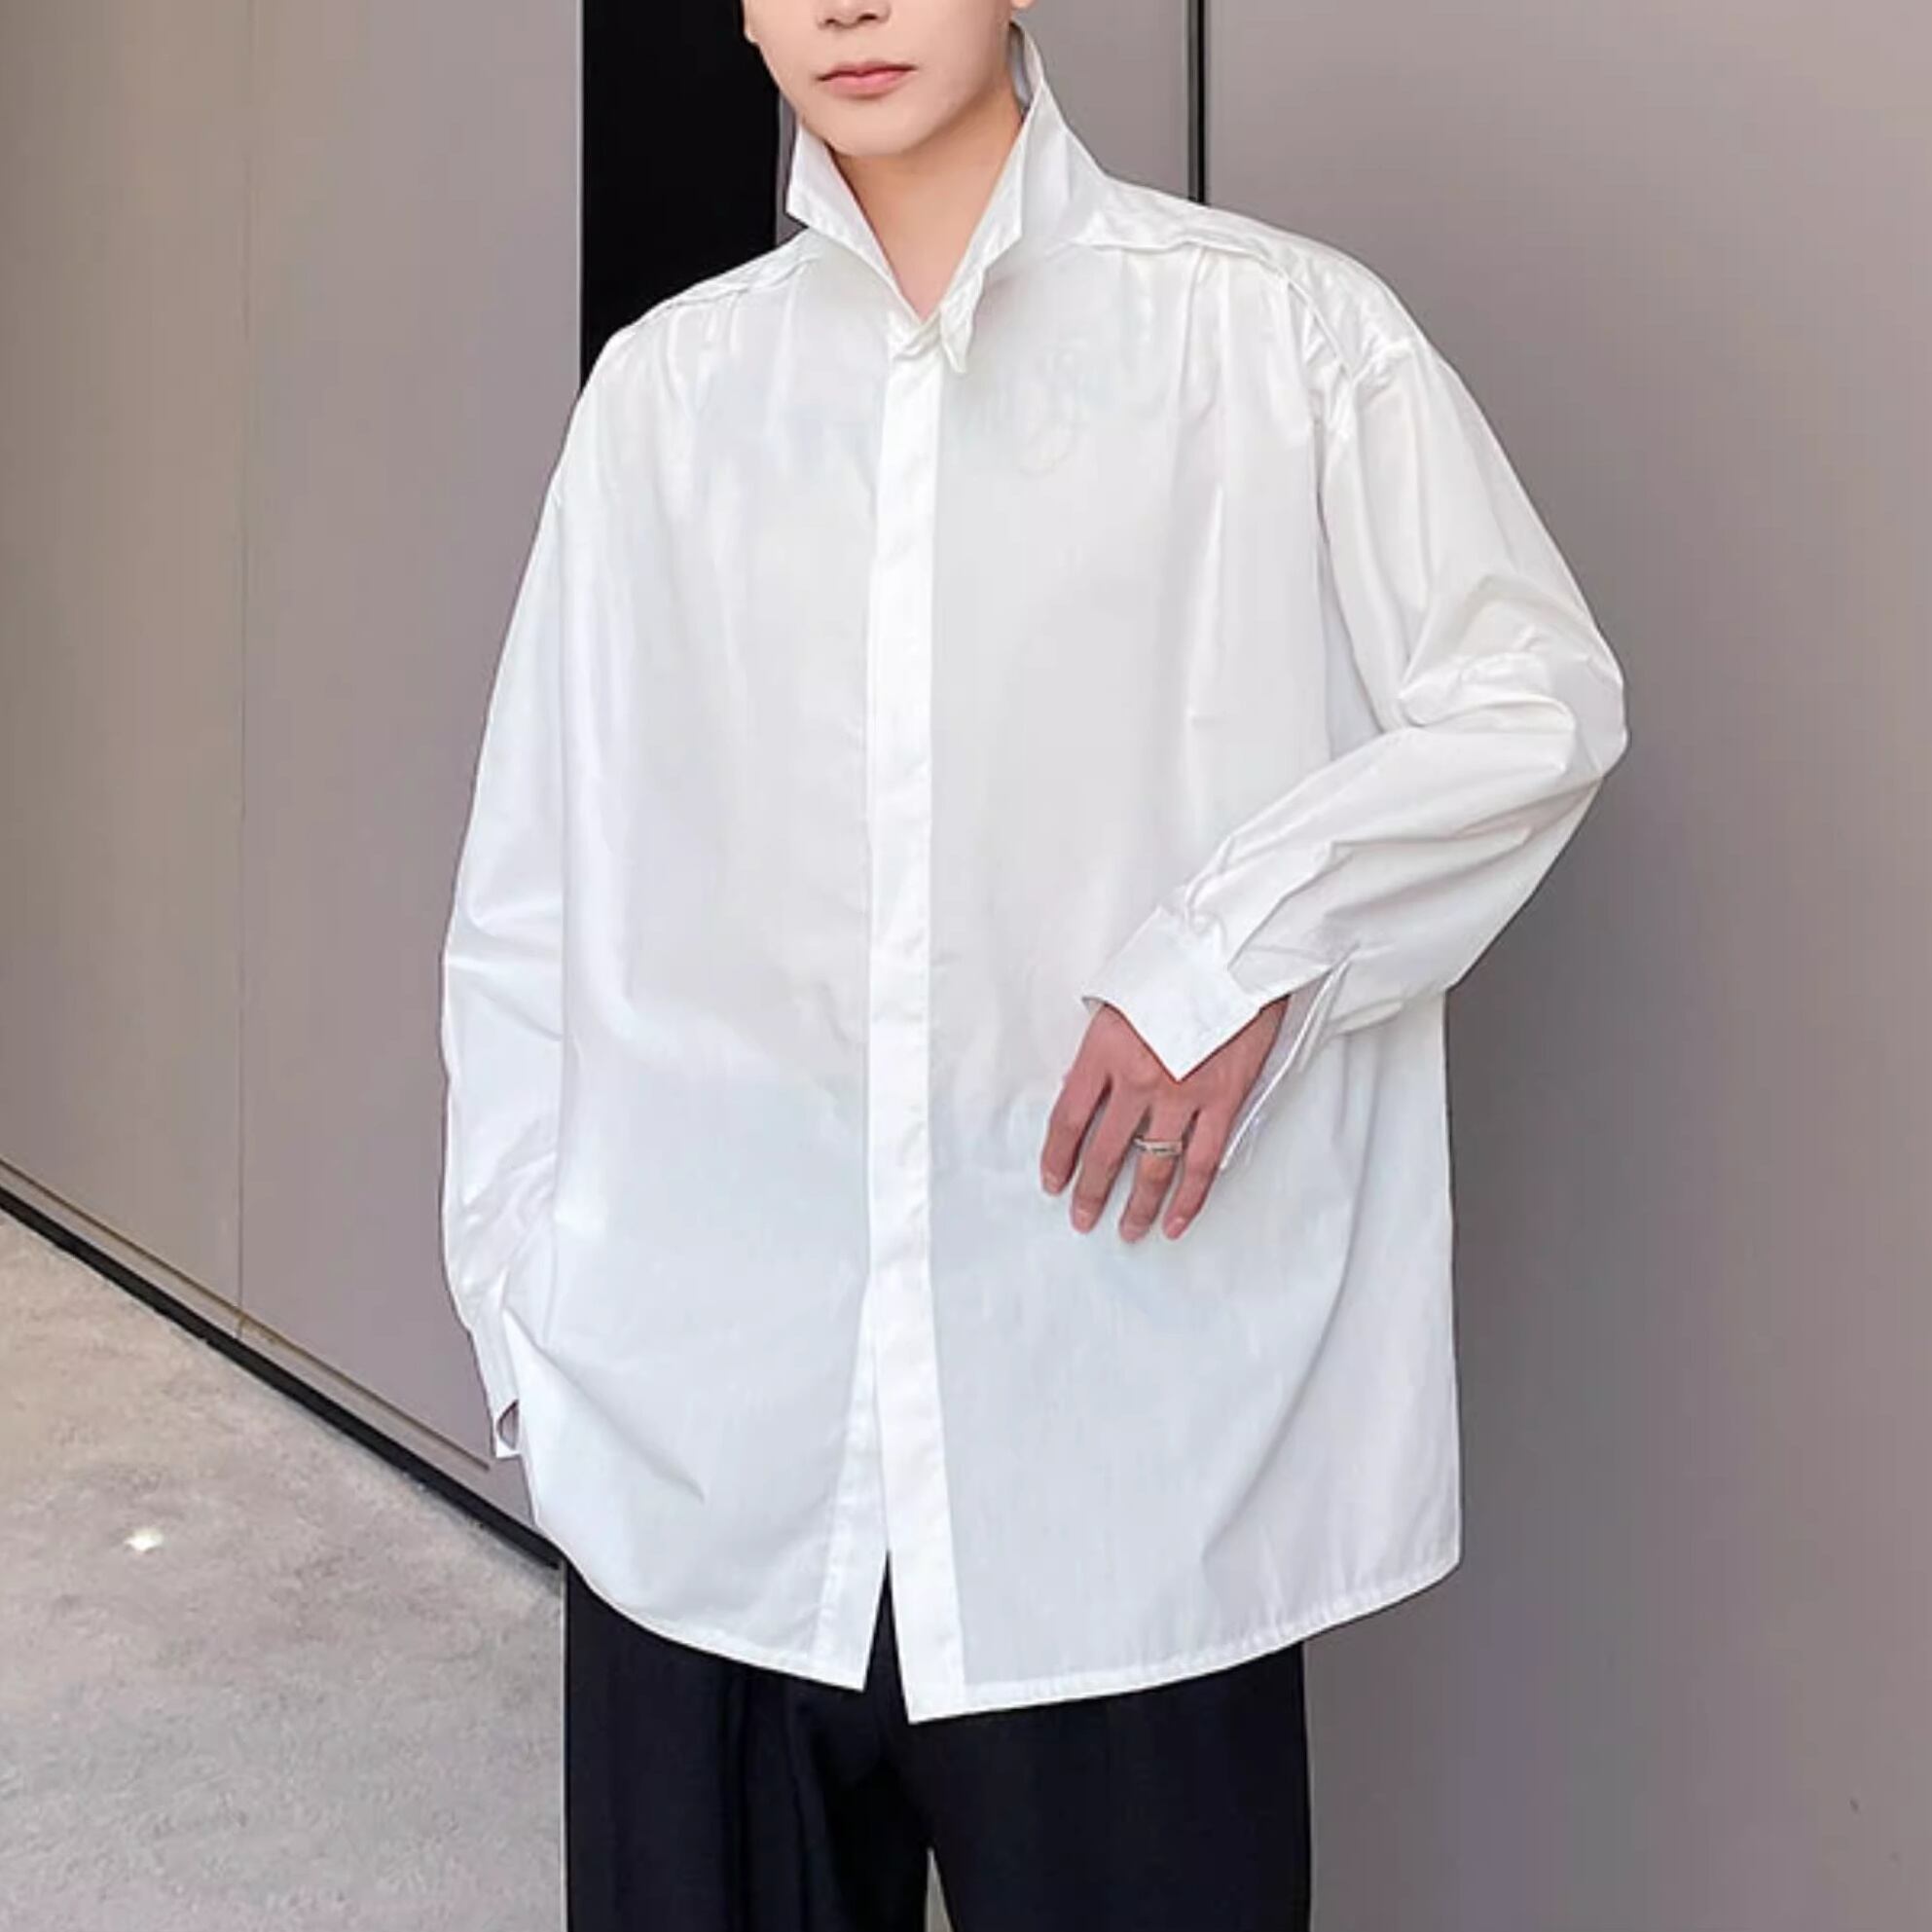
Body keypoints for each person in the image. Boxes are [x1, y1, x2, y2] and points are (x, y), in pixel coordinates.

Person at [436, 5, 1630, 1928]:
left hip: (1120, 1475)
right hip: (705, 1461)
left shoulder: (1280, 339)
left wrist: (1238, 950)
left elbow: (1533, 702)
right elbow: (535, 893)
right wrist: (529, 1329)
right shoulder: (667, 399)